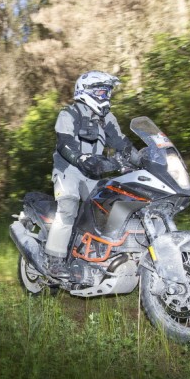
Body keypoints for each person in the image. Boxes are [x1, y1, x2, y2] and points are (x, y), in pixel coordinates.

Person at [44, 70, 135, 278]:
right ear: (86, 91)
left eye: (108, 93)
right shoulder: (69, 113)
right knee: (68, 207)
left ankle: (96, 256)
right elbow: (64, 143)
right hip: (69, 170)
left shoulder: (107, 118)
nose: (106, 97)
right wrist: (80, 158)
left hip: (93, 172)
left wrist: (142, 158)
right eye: (102, 92)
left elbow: (121, 143)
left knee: (106, 210)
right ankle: (54, 260)